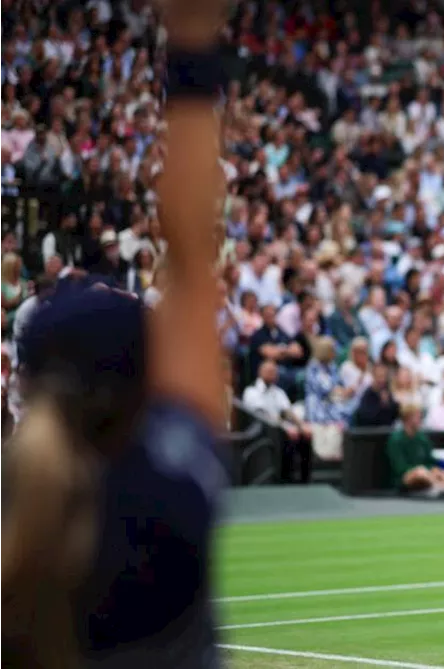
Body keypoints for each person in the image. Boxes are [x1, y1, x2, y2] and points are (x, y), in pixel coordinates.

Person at [0, 3, 229, 666]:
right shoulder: (175, 486)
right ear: (140, 378)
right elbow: (190, 253)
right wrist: (191, 51)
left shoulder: (21, 525)